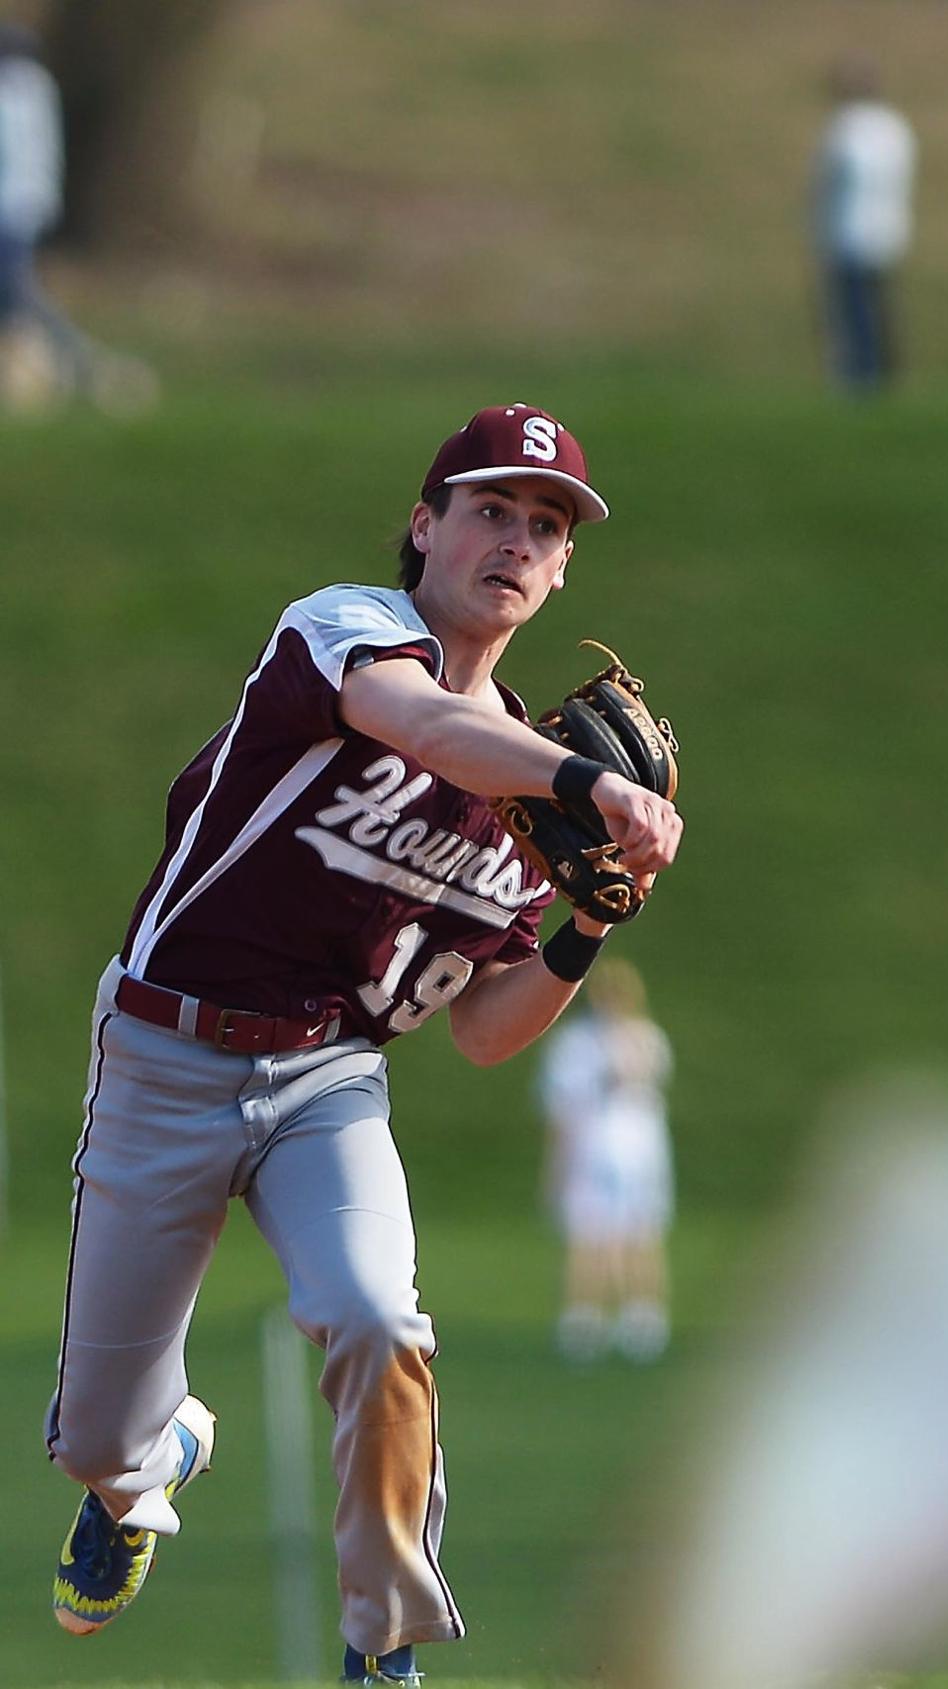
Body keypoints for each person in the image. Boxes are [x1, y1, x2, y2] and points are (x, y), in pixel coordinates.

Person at [45, 402, 683, 1687]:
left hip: (328, 1082)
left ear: (561, 572)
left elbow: (489, 1034)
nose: (515, 539)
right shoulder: (344, 630)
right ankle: (148, 1464)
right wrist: (583, 785)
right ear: (425, 524)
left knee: (379, 1319)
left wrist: (585, 924)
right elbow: (424, 725)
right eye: (491, 508)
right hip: (167, 1050)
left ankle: (382, 1645)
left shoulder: (532, 813)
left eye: (545, 526)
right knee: (99, 1435)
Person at [0, 23, 156, 412]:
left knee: (18, 296)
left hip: (9, 211)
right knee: (17, 296)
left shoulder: (12, 93)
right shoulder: (38, 87)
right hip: (30, 206)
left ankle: (88, 370)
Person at [536, 957, 674, 1363]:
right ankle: (585, 1318)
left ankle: (643, 1316)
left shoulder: (647, 1039)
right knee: (589, 1233)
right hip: (592, 1147)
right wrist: (557, 1162)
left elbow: (645, 1085)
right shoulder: (575, 1045)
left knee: (640, 1231)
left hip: (640, 1149)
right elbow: (563, 1108)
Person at [809, 52, 917, 393]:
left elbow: (827, 181)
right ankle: (882, 374)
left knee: (853, 313)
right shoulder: (895, 127)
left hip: (849, 233)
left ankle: (861, 379)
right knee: (878, 308)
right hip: (889, 231)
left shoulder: (845, 128)